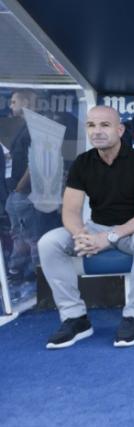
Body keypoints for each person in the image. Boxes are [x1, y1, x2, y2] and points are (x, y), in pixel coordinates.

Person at [38, 106, 134, 349]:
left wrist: (109, 237)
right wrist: (81, 234)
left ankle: (132, 317)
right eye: (91, 125)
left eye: (104, 125)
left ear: (120, 129)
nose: (97, 131)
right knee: (49, 243)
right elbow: (71, 211)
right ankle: (75, 318)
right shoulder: (82, 163)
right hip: (95, 227)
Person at [3, 90, 38, 285]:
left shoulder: (33, 127)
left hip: (25, 193)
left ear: (25, 102)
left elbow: (36, 161)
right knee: (19, 235)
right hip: (17, 193)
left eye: (14, 101)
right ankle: (16, 272)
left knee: (32, 237)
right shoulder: (24, 127)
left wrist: (20, 187)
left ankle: (37, 278)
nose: (10, 105)